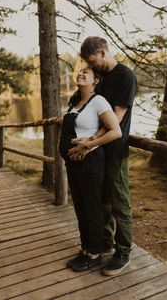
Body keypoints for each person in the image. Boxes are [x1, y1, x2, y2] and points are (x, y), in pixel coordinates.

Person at [68, 37, 137, 276]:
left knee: (119, 203)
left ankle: (123, 251)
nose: (90, 65)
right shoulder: (102, 77)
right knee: (102, 202)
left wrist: (91, 142)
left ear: (102, 52)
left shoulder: (125, 76)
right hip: (97, 154)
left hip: (115, 151)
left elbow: (115, 118)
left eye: (92, 60)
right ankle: (104, 243)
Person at [59, 66, 122, 272]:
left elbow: (116, 131)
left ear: (96, 81)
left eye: (86, 73)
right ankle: (85, 248)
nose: (80, 74)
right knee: (80, 208)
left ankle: (95, 253)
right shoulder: (75, 102)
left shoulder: (99, 101)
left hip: (91, 162)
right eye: (79, 72)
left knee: (92, 208)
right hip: (73, 163)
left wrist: (90, 144)